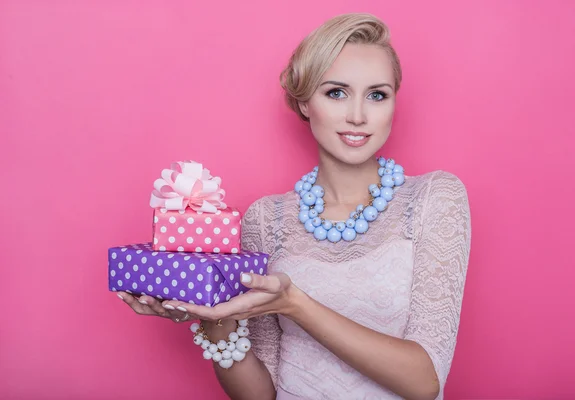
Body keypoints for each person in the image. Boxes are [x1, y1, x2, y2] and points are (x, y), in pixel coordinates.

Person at [118, 12, 471, 400]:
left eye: (377, 94)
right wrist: (213, 320)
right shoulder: (267, 219)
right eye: (336, 92)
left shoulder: (433, 199)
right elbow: (259, 395)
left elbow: (424, 382)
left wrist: (296, 305)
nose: (357, 115)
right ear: (304, 103)